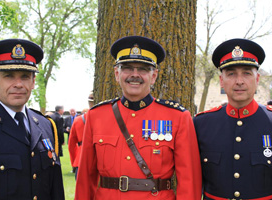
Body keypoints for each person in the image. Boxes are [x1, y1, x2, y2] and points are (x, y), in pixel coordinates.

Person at [75, 36, 202, 200]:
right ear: (116, 73)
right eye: (127, 68)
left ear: (154, 76)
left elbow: (189, 181)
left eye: (143, 69)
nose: (134, 75)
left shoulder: (177, 117)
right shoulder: (96, 116)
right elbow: (85, 178)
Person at [0, 38, 65, 199]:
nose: (18, 84)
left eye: (25, 76)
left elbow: (55, 190)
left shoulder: (45, 125)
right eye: (9, 76)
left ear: (33, 82)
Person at [194, 38, 272, 199]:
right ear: (221, 81)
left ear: (257, 79)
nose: (239, 81)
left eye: (246, 73)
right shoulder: (201, 124)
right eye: (231, 74)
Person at [68, 91, 94, 178]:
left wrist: (75, 161)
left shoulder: (78, 120)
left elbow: (71, 145)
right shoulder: (104, 118)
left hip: (81, 159)